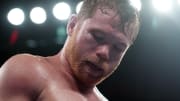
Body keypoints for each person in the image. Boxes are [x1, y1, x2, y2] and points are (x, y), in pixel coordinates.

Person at [0, 0, 140, 100]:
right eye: (97, 36)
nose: (104, 53)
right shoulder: (27, 71)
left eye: (118, 47)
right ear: (72, 25)